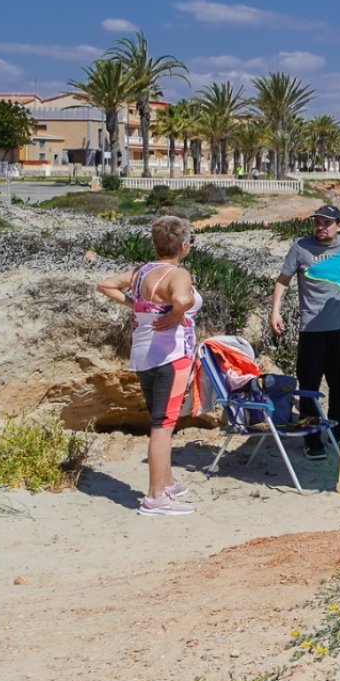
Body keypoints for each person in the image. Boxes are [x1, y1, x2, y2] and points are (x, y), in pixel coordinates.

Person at [96, 214, 202, 516]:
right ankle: (155, 498)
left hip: (143, 354)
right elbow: (181, 297)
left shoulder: (142, 271)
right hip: (171, 356)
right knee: (163, 426)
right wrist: (178, 313)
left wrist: (136, 305)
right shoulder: (177, 274)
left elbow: (106, 285)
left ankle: (166, 480)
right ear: (183, 246)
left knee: (159, 419)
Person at [271, 204, 340, 459]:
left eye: (327, 222)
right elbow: (282, 281)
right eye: (317, 222)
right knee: (309, 386)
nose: (321, 227)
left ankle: (338, 430)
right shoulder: (301, 247)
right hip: (312, 329)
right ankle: (312, 438)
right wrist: (275, 312)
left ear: (339, 225)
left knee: (339, 385)